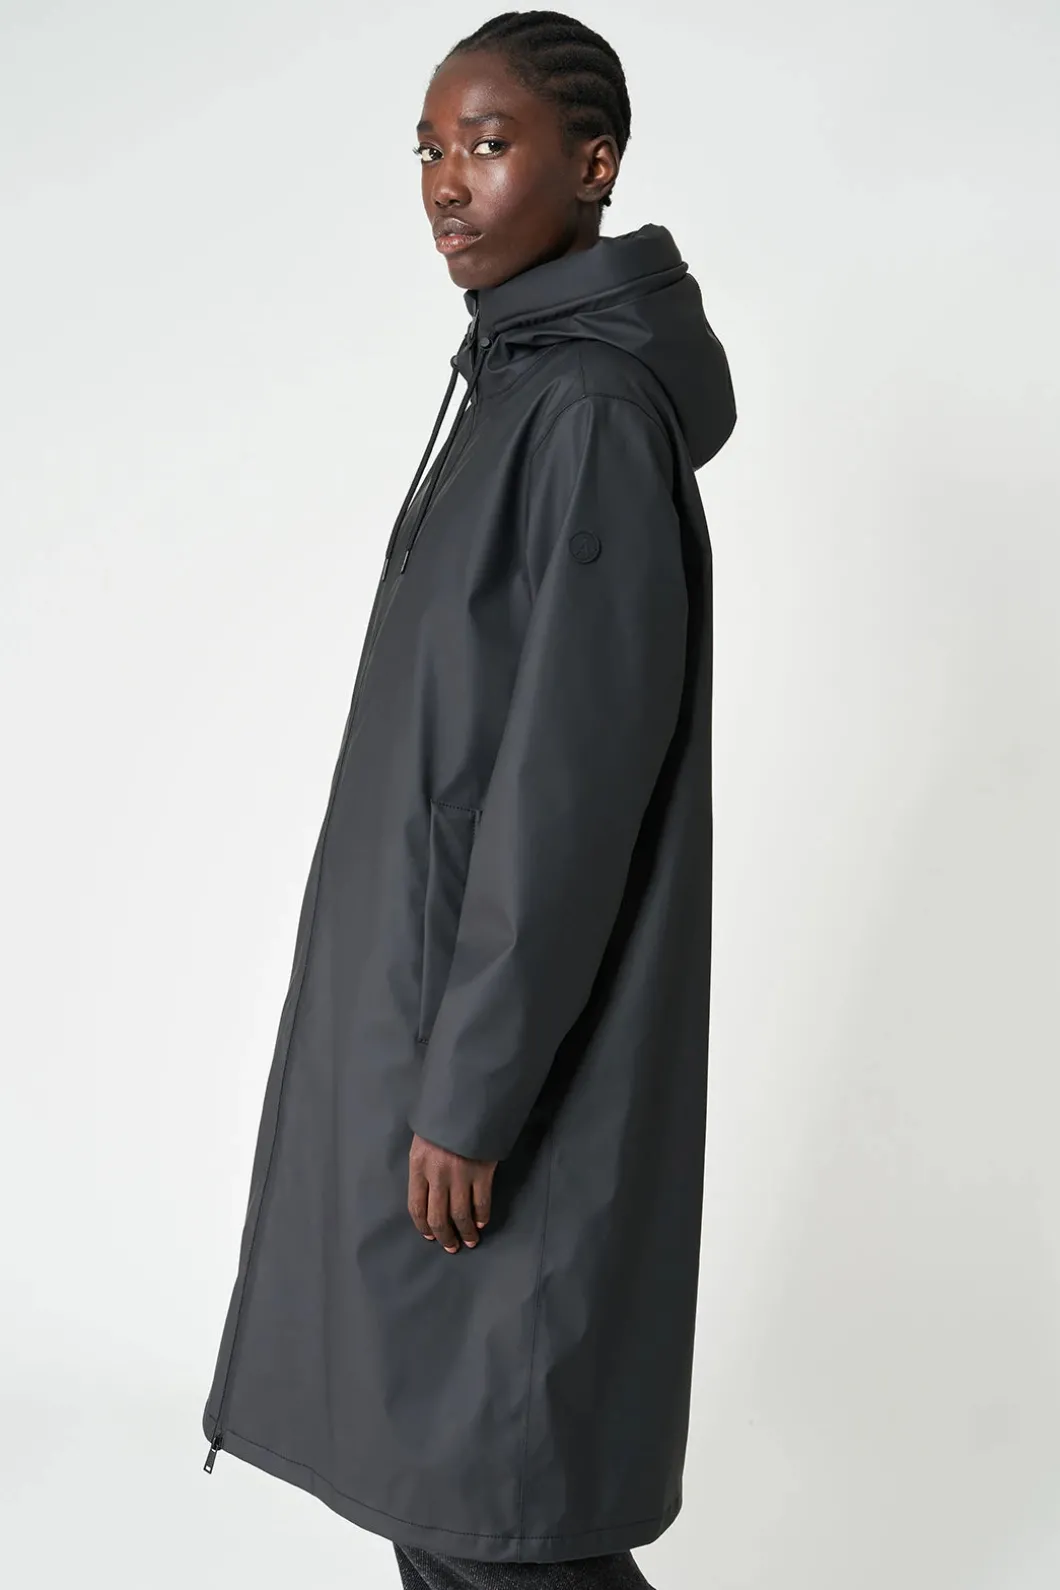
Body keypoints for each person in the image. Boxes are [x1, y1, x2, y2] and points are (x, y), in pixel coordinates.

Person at [200, 10, 736, 1588]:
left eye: (489, 144)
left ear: (595, 163)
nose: (447, 181)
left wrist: (473, 1091)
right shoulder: (513, 394)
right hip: (429, 1038)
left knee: (503, 1519)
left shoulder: (586, 419)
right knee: (447, 1502)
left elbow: (569, 786)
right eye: (430, 148)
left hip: (492, 1074)